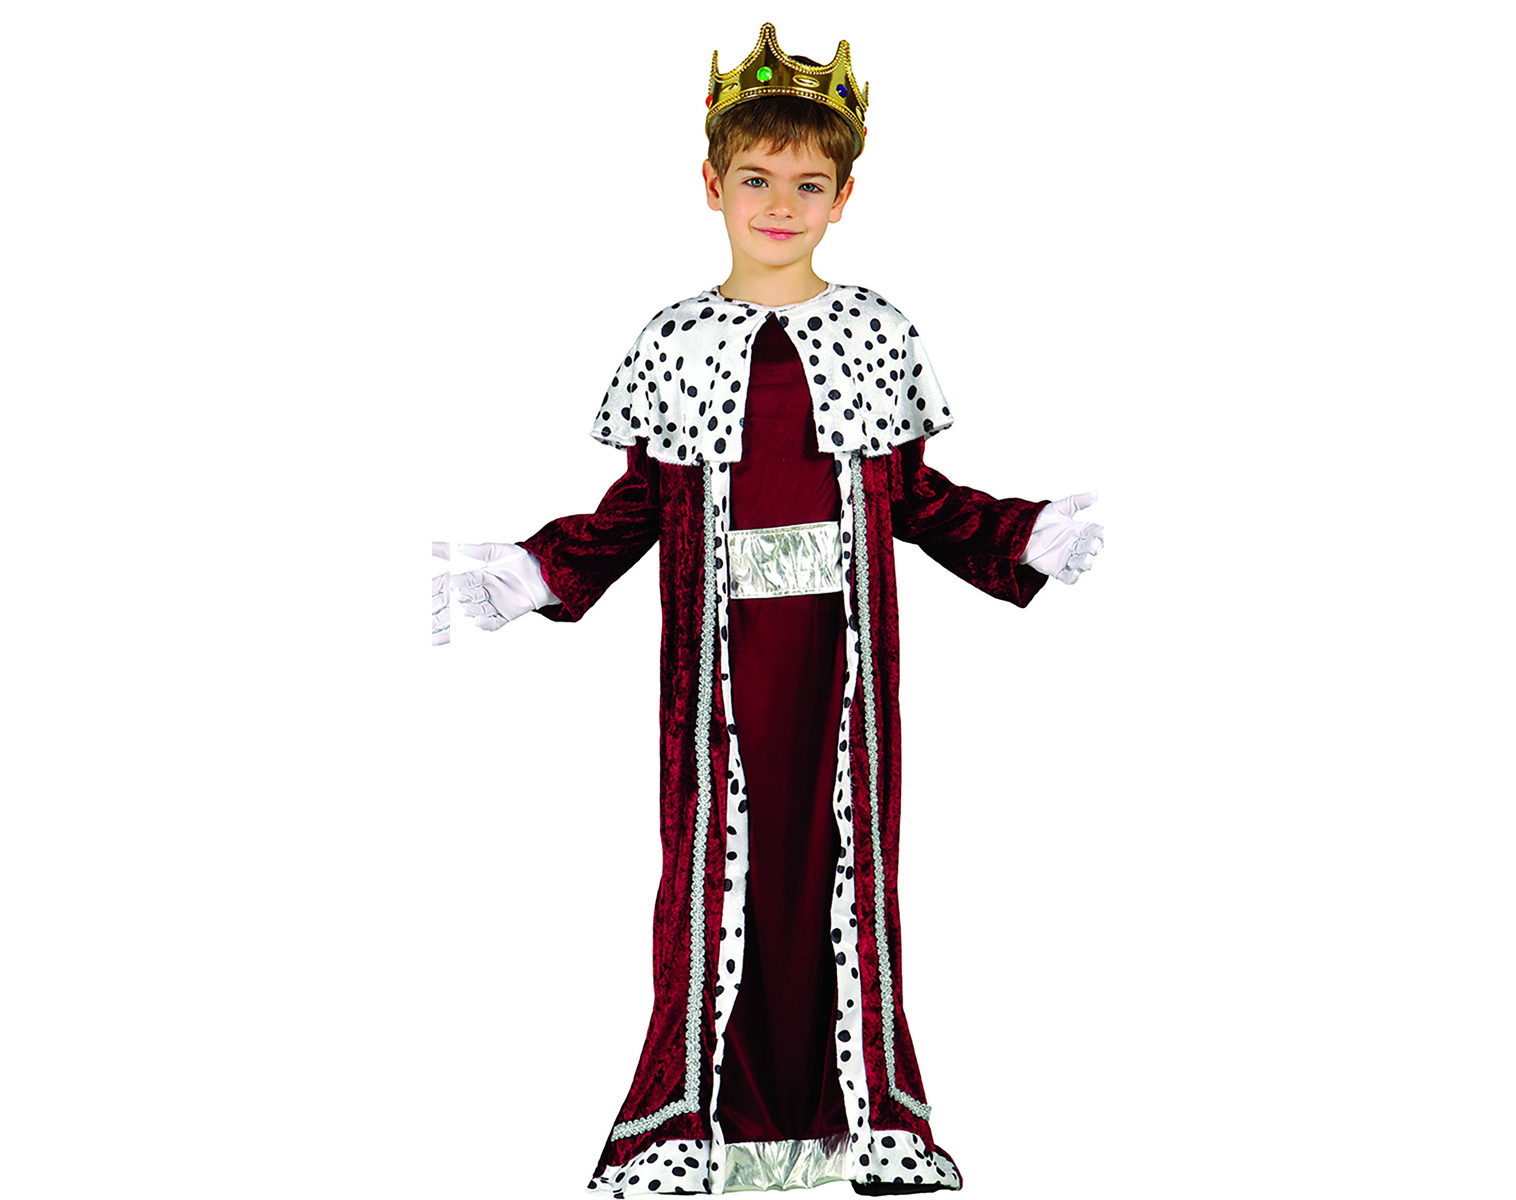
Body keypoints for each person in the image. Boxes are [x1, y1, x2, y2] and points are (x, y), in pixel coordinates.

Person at [451, 23, 1104, 1196]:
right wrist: (534, 571)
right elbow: (639, 506)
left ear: (844, 198)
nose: (780, 205)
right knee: (711, 872)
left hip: (839, 667)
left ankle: (871, 1124)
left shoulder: (876, 333)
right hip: (718, 666)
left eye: (808, 185)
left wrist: (1025, 532)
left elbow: (913, 497)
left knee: (841, 874)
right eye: (756, 179)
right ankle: (684, 1126)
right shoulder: (673, 342)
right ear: (711, 185)